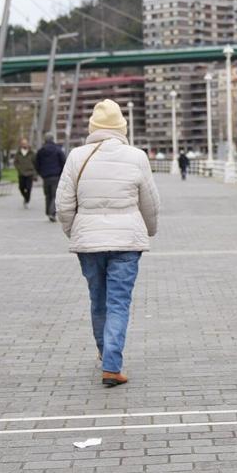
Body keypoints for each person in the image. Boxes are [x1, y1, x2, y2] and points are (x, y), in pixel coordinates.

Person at [56, 99, 160, 388]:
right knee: (118, 302)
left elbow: (63, 204)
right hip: (127, 242)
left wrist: (73, 231)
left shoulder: (77, 157)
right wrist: (150, 230)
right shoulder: (136, 156)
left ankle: (105, 353)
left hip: (89, 242)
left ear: (93, 128)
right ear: (121, 127)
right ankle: (112, 365)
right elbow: (150, 203)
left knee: (98, 299)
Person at [35, 134, 67, 222]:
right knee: (55, 195)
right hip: (56, 176)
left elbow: (37, 163)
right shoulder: (58, 150)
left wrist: (41, 173)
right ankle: (52, 212)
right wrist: (62, 173)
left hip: (45, 177)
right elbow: (63, 162)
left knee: (47, 195)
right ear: (53, 139)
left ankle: (48, 212)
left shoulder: (41, 151)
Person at [13, 138, 37, 209]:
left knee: (29, 188)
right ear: (21, 144)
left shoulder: (32, 153)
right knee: (21, 187)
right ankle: (25, 197)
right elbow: (15, 162)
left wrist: (35, 173)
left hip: (30, 173)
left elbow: (35, 163)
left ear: (28, 144)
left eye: (25, 143)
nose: (24, 145)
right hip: (21, 173)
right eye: (23, 143)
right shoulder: (18, 153)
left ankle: (27, 200)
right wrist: (19, 169)